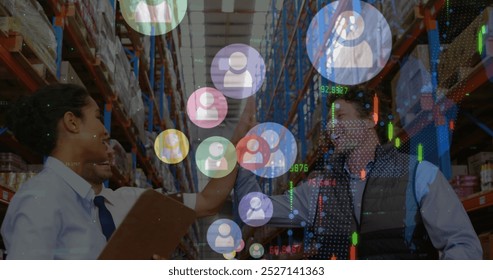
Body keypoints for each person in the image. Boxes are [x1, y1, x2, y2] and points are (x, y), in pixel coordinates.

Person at [233, 87, 482, 260]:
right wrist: (247, 152)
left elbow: (463, 245)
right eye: (329, 122)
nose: (332, 127)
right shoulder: (319, 190)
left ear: (370, 120)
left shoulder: (418, 175)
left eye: (340, 117)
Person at [1, 84, 109, 259]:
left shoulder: (78, 199)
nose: (105, 131)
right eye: (98, 117)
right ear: (72, 122)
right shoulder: (43, 197)